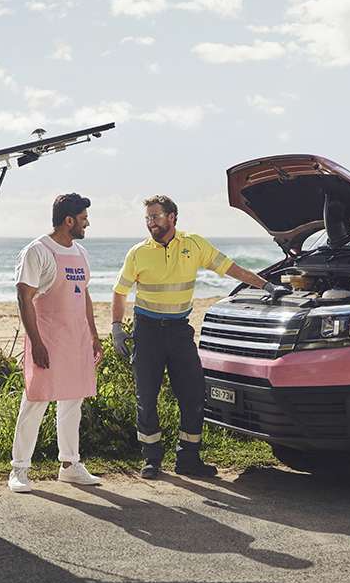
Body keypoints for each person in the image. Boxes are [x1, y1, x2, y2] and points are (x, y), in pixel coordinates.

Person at [110, 195, 267, 479]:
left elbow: (232, 269)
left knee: (193, 394)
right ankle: (151, 459)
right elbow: (120, 291)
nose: (150, 223)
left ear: (172, 217)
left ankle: (188, 459)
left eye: (155, 217)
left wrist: (266, 284)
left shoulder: (194, 245)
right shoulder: (138, 252)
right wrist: (117, 327)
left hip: (179, 331)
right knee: (146, 397)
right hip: (147, 333)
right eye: (147, 218)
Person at [10, 193, 103, 492]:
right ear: (69, 220)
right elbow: (24, 298)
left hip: (76, 339)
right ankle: (19, 469)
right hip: (47, 339)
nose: (87, 224)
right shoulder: (37, 251)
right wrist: (36, 342)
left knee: (72, 400)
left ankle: (70, 464)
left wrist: (93, 335)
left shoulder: (80, 253)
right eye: (84, 219)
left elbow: (83, 294)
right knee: (36, 400)